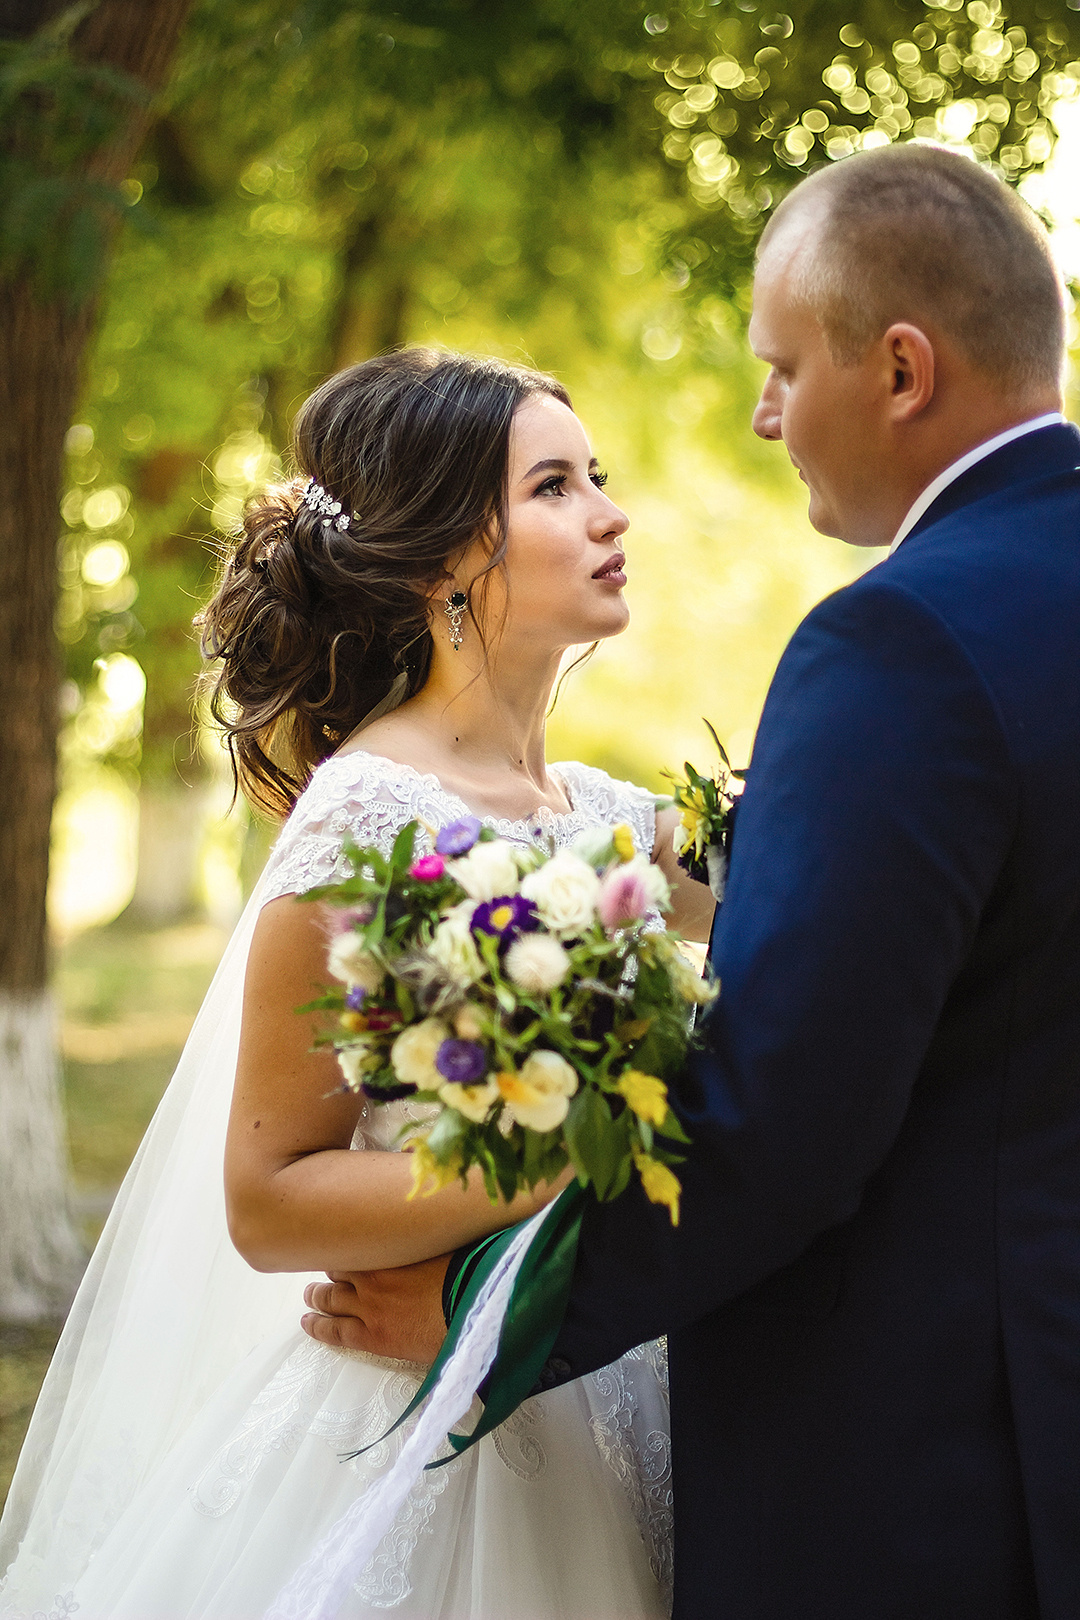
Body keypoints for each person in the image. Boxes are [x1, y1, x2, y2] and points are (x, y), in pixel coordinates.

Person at [304, 145, 1080, 1619]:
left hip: (929, 1461)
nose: (764, 413)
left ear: (901, 370)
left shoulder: (902, 643)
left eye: (783, 366)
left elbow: (794, 1118)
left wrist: (493, 1316)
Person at [0, 349, 714, 1619]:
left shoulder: (614, 822)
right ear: (448, 562)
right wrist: (550, 1162)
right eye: (555, 486)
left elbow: (814, 933)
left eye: (595, 476)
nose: (611, 514)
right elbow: (270, 1200)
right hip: (412, 1414)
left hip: (588, 1376)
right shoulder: (367, 818)